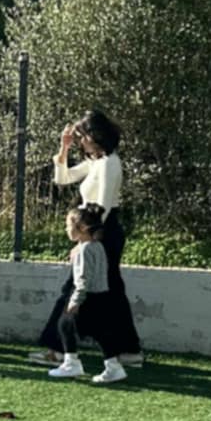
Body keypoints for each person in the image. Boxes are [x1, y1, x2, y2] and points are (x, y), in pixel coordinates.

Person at [29, 110, 140, 381]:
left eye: (82, 137)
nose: (81, 142)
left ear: (95, 136)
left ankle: (59, 348)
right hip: (95, 229)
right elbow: (62, 178)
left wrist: (85, 241)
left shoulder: (110, 163)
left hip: (102, 231)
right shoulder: (97, 162)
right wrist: (63, 148)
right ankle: (127, 351)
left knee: (76, 286)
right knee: (111, 290)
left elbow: (102, 206)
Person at [46, 206, 111, 381]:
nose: (66, 229)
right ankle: (113, 366)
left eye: (68, 225)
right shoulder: (97, 246)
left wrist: (76, 300)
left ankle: (71, 363)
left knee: (65, 324)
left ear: (82, 227)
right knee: (99, 332)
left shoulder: (84, 250)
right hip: (101, 294)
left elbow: (83, 278)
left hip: (88, 296)